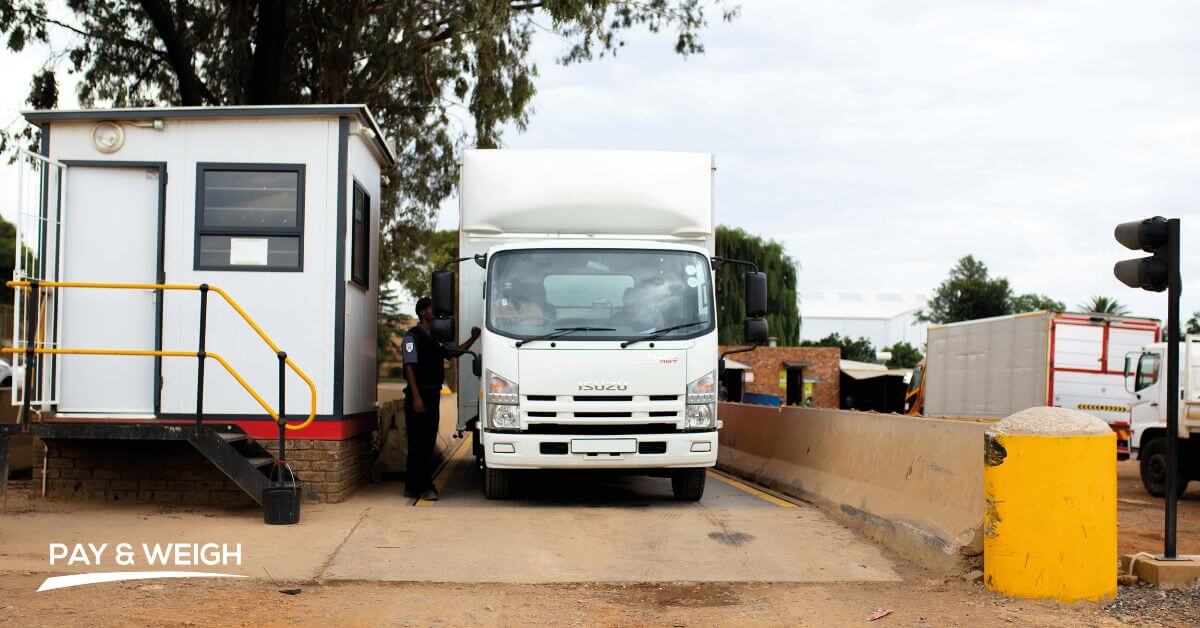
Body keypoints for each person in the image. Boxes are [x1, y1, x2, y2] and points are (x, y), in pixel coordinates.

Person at [398, 296, 480, 501]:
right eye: (432, 307)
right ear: (423, 312)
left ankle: (412, 485)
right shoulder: (412, 337)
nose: (436, 310)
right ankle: (425, 487)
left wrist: (473, 339)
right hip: (419, 395)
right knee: (420, 443)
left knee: (426, 441)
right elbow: (409, 367)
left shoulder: (436, 337)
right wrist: (416, 397)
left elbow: (453, 354)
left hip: (433, 394)